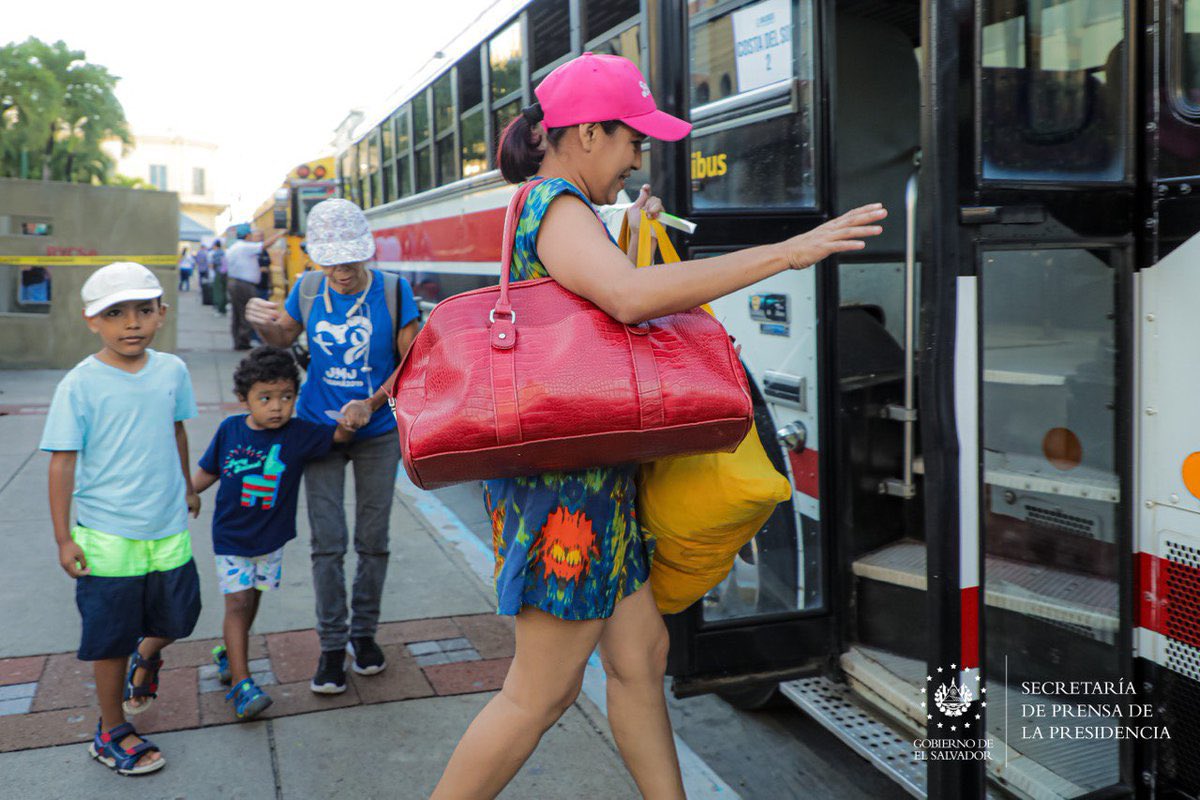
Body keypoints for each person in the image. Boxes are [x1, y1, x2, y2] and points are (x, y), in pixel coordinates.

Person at [429, 53, 887, 799]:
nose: (639, 157)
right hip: (568, 501)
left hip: (591, 483)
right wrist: (785, 252)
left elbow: (598, 284)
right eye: (632, 140)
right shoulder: (557, 204)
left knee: (641, 658)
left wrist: (625, 225)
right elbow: (628, 297)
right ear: (587, 134)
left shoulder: (554, 203)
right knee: (537, 694)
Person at [243, 198, 420, 694]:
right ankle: (331, 645)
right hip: (319, 429)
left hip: (377, 432)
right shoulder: (307, 288)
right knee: (327, 544)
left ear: (366, 252)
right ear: (316, 258)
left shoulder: (394, 291)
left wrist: (371, 402)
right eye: (331, 262)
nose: (341, 272)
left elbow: (412, 363)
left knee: (372, 539)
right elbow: (282, 336)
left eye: (350, 260)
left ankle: (364, 635)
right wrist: (259, 319)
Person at [40, 261, 202, 776]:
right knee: (110, 639)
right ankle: (111, 731)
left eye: (143, 310)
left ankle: (147, 656)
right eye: (115, 313)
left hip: (168, 526)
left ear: (161, 313)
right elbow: (62, 462)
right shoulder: (80, 385)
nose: (131, 323)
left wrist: (186, 486)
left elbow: (176, 431)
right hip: (108, 536)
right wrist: (64, 538)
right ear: (92, 320)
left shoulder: (172, 371)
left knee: (179, 618)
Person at [191, 347, 357, 720]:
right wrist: (184, 495)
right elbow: (209, 470)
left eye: (286, 397)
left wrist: (353, 416)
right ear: (243, 399)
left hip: (270, 540)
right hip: (231, 537)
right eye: (265, 398)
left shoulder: (298, 434)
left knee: (251, 599)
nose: (277, 407)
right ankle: (241, 683)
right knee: (237, 603)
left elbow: (339, 436)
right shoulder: (230, 429)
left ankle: (228, 654)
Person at [226, 229, 285, 350]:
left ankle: (238, 341)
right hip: (244, 284)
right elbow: (265, 245)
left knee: (237, 314)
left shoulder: (234, 247)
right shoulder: (244, 247)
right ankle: (243, 342)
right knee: (246, 312)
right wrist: (280, 234)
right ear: (247, 235)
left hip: (235, 282)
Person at [211, 240, 228, 316]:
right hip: (225, 273)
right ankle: (223, 309)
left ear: (215, 245)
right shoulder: (223, 252)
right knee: (223, 291)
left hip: (219, 273)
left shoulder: (216, 253)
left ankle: (220, 309)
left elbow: (214, 264)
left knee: (219, 291)